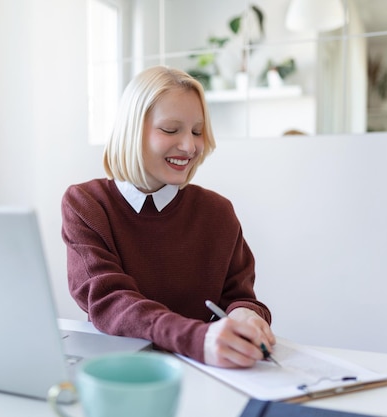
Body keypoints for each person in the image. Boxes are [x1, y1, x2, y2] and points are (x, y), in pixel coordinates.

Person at [61, 66, 275, 368]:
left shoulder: (218, 212)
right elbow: (107, 301)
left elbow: (239, 296)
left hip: (206, 370)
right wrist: (196, 338)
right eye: (171, 130)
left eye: (197, 132)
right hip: (125, 374)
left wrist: (246, 314)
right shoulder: (87, 204)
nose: (189, 146)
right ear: (132, 131)